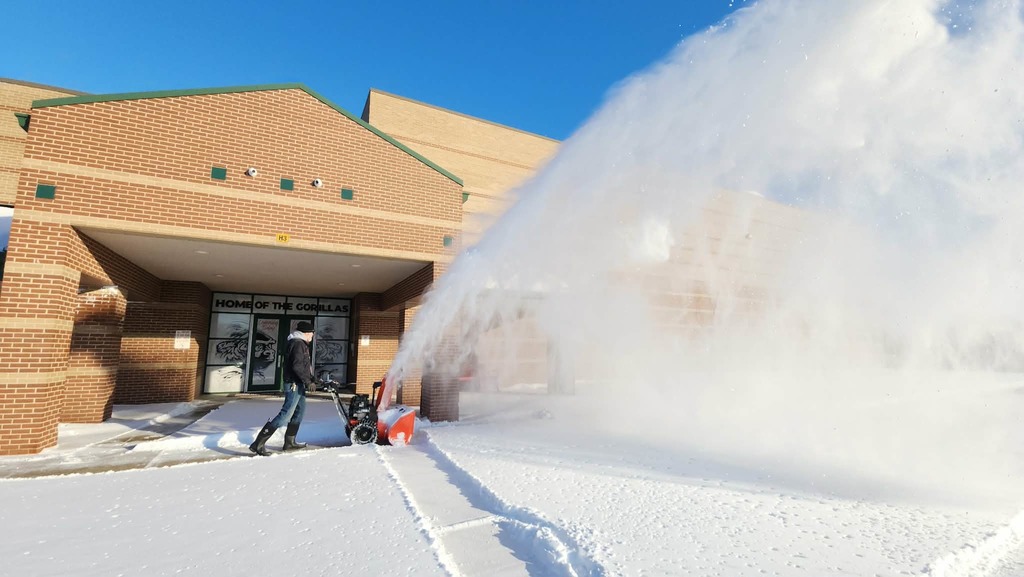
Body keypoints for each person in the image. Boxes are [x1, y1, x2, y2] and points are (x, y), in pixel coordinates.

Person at [249, 320, 317, 456]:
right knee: (286, 415)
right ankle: (258, 444)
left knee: (299, 413)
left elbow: (302, 365)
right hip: (294, 383)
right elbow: (297, 366)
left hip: (299, 383)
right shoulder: (298, 344)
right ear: (307, 333)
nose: (312, 336)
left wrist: (311, 378)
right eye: (312, 334)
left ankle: (289, 443)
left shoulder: (300, 343)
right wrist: (307, 381)